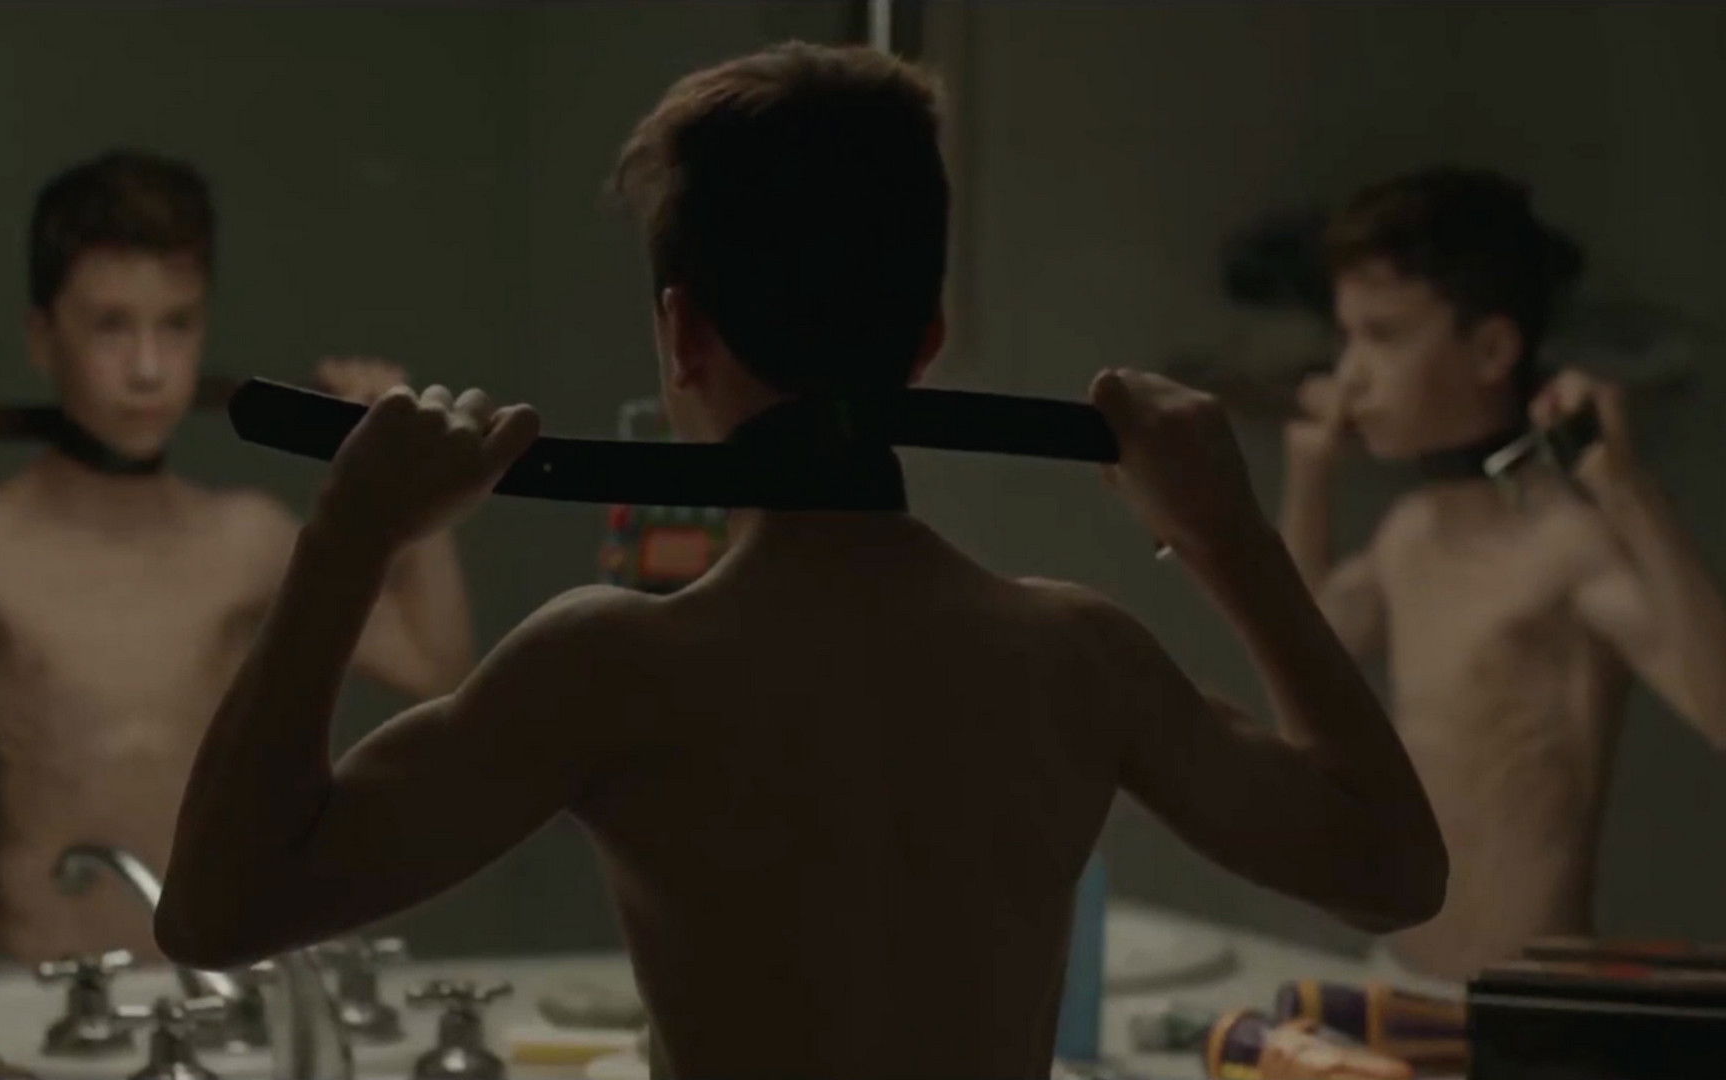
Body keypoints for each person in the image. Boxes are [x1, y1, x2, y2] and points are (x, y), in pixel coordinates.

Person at [156, 44, 1446, 1080]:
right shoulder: (1078, 660)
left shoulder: (608, 670)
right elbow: (1392, 868)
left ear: (681, 333)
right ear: (928, 335)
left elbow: (216, 909)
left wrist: (351, 536)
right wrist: (1228, 534)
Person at [0, 150, 476, 964]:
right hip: (40, 990)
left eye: (177, 325)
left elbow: (436, 668)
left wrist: (403, 465)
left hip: (224, 994)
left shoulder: (247, 539)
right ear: (42, 338)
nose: (149, 369)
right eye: (111, 327)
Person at [1280, 167, 1726, 980]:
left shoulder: (1569, 548)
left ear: (1490, 350)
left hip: (1526, 1006)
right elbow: (1305, 662)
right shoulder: (1407, 534)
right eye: (1346, 338)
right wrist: (1309, 483)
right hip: (1394, 978)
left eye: (1383, 336)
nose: (1350, 376)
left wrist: (1627, 492)